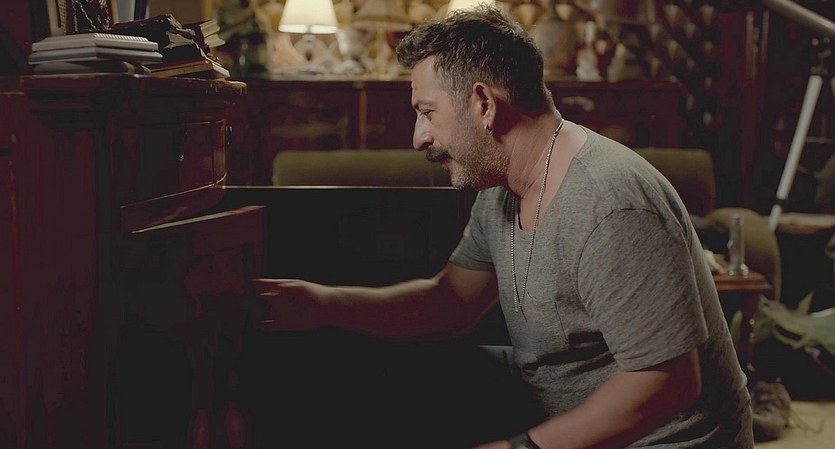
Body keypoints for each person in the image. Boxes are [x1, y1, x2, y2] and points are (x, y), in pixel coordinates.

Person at [255, 5, 753, 449]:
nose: (418, 137)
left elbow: (669, 381)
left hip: (669, 441)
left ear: (484, 104)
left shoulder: (609, 203)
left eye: (427, 112)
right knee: (371, 370)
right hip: (550, 403)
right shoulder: (500, 187)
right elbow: (450, 303)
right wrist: (322, 304)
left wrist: (520, 448)